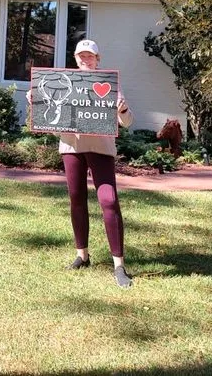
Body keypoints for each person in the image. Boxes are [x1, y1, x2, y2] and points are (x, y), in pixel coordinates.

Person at [28, 39, 134, 288]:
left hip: (101, 149)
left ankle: (119, 266)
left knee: (108, 201)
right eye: (82, 56)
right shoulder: (65, 83)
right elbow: (52, 121)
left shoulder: (109, 84)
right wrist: (37, 102)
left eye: (90, 56)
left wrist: (122, 110)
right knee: (76, 199)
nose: (86, 59)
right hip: (72, 148)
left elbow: (127, 122)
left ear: (98, 59)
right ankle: (82, 255)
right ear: (75, 59)